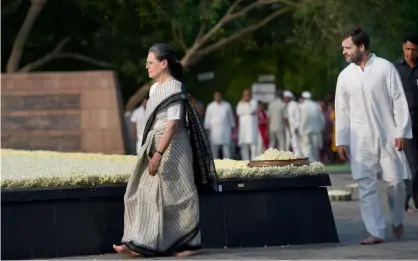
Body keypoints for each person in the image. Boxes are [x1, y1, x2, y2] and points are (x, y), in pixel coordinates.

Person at [113, 43, 218, 257]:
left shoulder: (175, 87)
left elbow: (173, 124)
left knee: (181, 195)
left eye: (150, 63)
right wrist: (151, 151)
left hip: (174, 147)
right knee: (138, 191)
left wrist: (159, 154)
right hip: (153, 144)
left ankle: (188, 244)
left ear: (163, 63)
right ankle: (136, 240)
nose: (147, 67)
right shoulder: (153, 89)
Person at [335, 28, 412, 245]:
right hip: (360, 138)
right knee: (366, 184)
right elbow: (341, 109)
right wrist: (341, 139)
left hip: (389, 135)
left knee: (396, 183)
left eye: (347, 48)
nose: (344, 52)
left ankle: (397, 219)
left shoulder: (385, 68)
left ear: (361, 47)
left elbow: (398, 100)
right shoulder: (345, 76)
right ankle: (376, 231)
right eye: (343, 48)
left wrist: (402, 131)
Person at [393, 34, 418, 213]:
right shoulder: (395, 69)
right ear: (403, 48)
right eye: (408, 49)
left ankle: (405, 201)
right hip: (404, 121)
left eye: (414, 49)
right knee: (413, 164)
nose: (410, 53)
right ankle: (411, 201)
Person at [204, 91, 235, 159]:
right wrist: (206, 128)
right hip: (214, 131)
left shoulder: (227, 105)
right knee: (214, 149)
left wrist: (233, 127)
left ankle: (227, 164)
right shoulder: (210, 106)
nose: (218, 97)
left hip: (225, 130)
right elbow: (207, 119)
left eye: (219, 96)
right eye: (216, 96)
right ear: (214, 97)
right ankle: (215, 164)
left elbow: (231, 117)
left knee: (226, 148)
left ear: (221, 96)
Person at [299, 91, 325, 162]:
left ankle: (308, 164)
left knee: (306, 149)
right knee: (315, 150)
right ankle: (315, 164)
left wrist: (300, 130)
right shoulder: (316, 106)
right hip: (316, 131)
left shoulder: (302, 106)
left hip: (305, 131)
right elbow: (322, 119)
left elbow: (301, 119)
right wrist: (321, 128)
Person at [236, 89, 259, 160]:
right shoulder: (240, 103)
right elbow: (238, 112)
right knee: (244, 145)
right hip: (243, 128)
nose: (246, 96)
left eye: (247, 94)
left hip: (251, 128)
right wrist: (245, 110)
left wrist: (245, 110)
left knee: (253, 145)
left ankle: (254, 160)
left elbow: (251, 110)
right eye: (245, 94)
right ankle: (245, 161)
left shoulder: (254, 102)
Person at [283, 90, 302, 156]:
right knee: (292, 143)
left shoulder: (294, 104)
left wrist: (297, 127)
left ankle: (298, 157)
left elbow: (298, 116)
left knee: (296, 143)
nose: (284, 99)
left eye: (285, 97)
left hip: (295, 127)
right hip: (289, 127)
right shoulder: (288, 105)